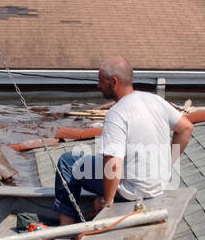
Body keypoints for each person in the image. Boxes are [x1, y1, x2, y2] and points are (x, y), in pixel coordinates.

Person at [52, 57, 193, 225]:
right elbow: (186, 128)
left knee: (67, 162)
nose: (98, 86)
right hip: (159, 184)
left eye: (100, 81)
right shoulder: (154, 100)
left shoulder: (117, 113)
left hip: (132, 190)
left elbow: (113, 164)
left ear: (114, 82)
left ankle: (64, 229)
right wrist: (167, 164)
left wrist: (107, 201)